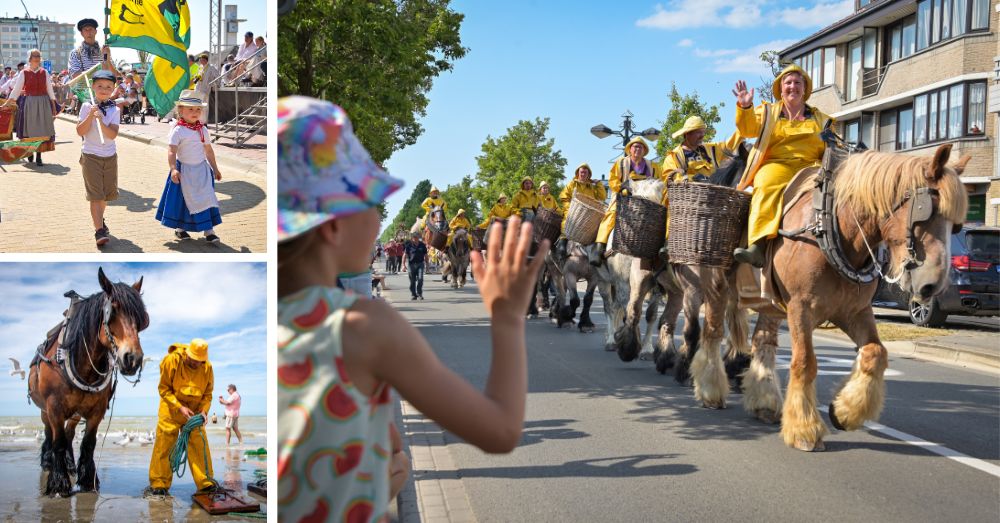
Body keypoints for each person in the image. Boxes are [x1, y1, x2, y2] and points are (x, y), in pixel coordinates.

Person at [276, 97, 547, 522]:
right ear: (333, 225)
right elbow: (501, 429)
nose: (378, 214)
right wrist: (507, 317)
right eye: (371, 202)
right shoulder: (363, 325)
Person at [731, 65, 831, 267]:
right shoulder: (767, 112)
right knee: (766, 184)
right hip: (776, 164)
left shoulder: (822, 119)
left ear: (805, 88)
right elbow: (748, 129)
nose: (792, 87)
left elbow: (830, 149)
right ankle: (757, 245)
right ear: (780, 88)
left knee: (833, 192)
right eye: (788, 83)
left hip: (811, 167)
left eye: (797, 83)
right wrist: (745, 107)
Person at [658, 116, 744, 260]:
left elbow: (730, 144)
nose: (702, 135)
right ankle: (669, 243)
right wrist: (689, 179)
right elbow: (670, 177)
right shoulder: (674, 156)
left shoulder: (711, 149)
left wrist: (743, 128)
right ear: (687, 134)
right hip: (687, 197)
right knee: (673, 210)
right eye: (698, 132)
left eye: (703, 131)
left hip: (713, 196)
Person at [144, 339, 215, 497]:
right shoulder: (173, 360)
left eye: (200, 361)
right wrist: (180, 407)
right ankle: (159, 484)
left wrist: (204, 412)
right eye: (194, 360)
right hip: (171, 409)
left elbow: (207, 395)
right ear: (188, 354)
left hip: (194, 412)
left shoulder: (207, 367)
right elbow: (164, 389)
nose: (197, 364)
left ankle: (205, 483)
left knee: (199, 444)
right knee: (164, 445)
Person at [155, 90, 224, 243]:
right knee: (184, 200)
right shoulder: (178, 130)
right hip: (184, 170)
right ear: (181, 110)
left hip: (202, 170)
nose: (195, 112)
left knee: (206, 198)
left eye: (198, 109)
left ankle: (209, 230)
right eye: (190, 109)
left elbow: (208, 150)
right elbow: (172, 151)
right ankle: (181, 228)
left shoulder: (203, 129)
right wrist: (173, 168)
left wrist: (215, 168)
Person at [590, 136, 662, 266]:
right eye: (635, 146)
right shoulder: (621, 163)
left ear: (644, 150)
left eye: (640, 147)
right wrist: (622, 187)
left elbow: (659, 182)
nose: (637, 149)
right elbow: (612, 180)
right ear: (630, 149)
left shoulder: (653, 166)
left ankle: (660, 251)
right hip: (623, 197)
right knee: (611, 215)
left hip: (647, 200)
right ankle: (599, 247)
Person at [74, 70, 120, 246]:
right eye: (100, 85)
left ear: (113, 89)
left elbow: (112, 134)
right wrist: (89, 116)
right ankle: (99, 231)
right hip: (90, 155)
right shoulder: (86, 106)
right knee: (96, 196)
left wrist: (100, 120)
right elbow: (80, 131)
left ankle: (100, 220)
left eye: (108, 87)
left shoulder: (115, 110)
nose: (104, 89)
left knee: (105, 196)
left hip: (110, 156)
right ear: (93, 87)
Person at [2, 49, 58, 166]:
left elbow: (49, 89)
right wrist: (8, 101)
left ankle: (39, 156)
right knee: (31, 130)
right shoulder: (24, 72)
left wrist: (54, 103)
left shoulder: (44, 72)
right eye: (34, 56)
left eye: (38, 56)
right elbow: (17, 89)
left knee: (41, 130)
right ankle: (30, 153)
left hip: (43, 103)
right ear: (30, 58)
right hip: (30, 103)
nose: (37, 58)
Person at [555, 163, 606, 256]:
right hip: (572, 211)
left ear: (589, 174)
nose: (583, 174)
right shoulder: (572, 184)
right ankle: (562, 242)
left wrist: (599, 184)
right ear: (578, 173)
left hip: (588, 215)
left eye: (585, 173)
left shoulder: (592, 186)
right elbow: (564, 197)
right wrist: (570, 207)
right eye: (581, 172)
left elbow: (602, 197)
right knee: (566, 221)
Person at [194, 53, 220, 123]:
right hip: (198, 88)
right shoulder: (200, 67)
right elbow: (197, 75)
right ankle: (198, 120)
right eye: (200, 60)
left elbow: (217, 76)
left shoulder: (211, 67)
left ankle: (204, 122)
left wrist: (214, 85)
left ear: (205, 60)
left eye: (202, 60)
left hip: (205, 89)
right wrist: (196, 78)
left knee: (204, 106)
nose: (200, 61)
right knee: (198, 105)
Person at [405, 231, 428, 300]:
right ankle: (413, 294)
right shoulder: (409, 245)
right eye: (414, 237)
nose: (415, 238)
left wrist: (427, 265)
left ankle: (419, 293)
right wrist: (403, 265)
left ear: (418, 238)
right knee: (412, 280)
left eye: (417, 237)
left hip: (420, 264)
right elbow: (405, 255)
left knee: (420, 279)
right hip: (411, 265)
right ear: (412, 238)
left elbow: (426, 255)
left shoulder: (422, 245)